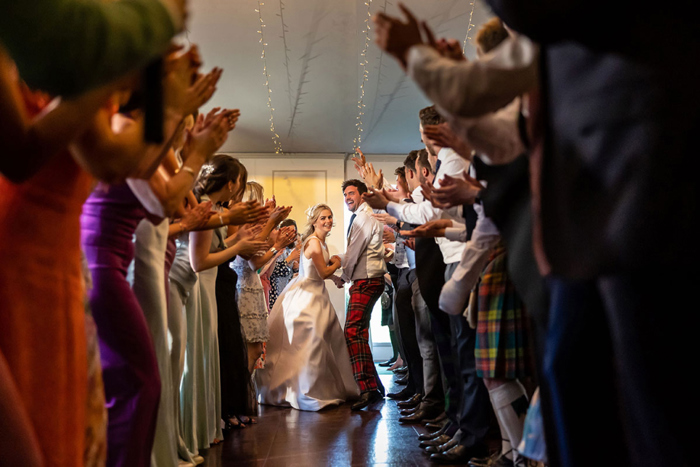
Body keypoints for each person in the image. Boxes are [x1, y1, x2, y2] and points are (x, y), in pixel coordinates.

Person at [256, 204, 360, 411]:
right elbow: (321, 272)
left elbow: (318, 271)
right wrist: (338, 262)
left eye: (330, 217)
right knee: (311, 340)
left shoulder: (319, 241)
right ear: (314, 221)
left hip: (315, 290)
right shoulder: (313, 243)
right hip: (307, 294)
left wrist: (336, 278)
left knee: (320, 340)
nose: (328, 221)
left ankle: (319, 386)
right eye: (323, 218)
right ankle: (306, 388)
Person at [335, 179, 388, 411]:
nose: (347, 197)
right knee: (358, 331)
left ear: (363, 195)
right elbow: (352, 252)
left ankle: (368, 389)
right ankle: (374, 386)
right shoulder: (362, 216)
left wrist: (343, 276)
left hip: (366, 279)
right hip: (366, 278)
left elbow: (354, 252)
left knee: (352, 331)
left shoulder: (364, 217)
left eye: (352, 193)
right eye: (345, 193)